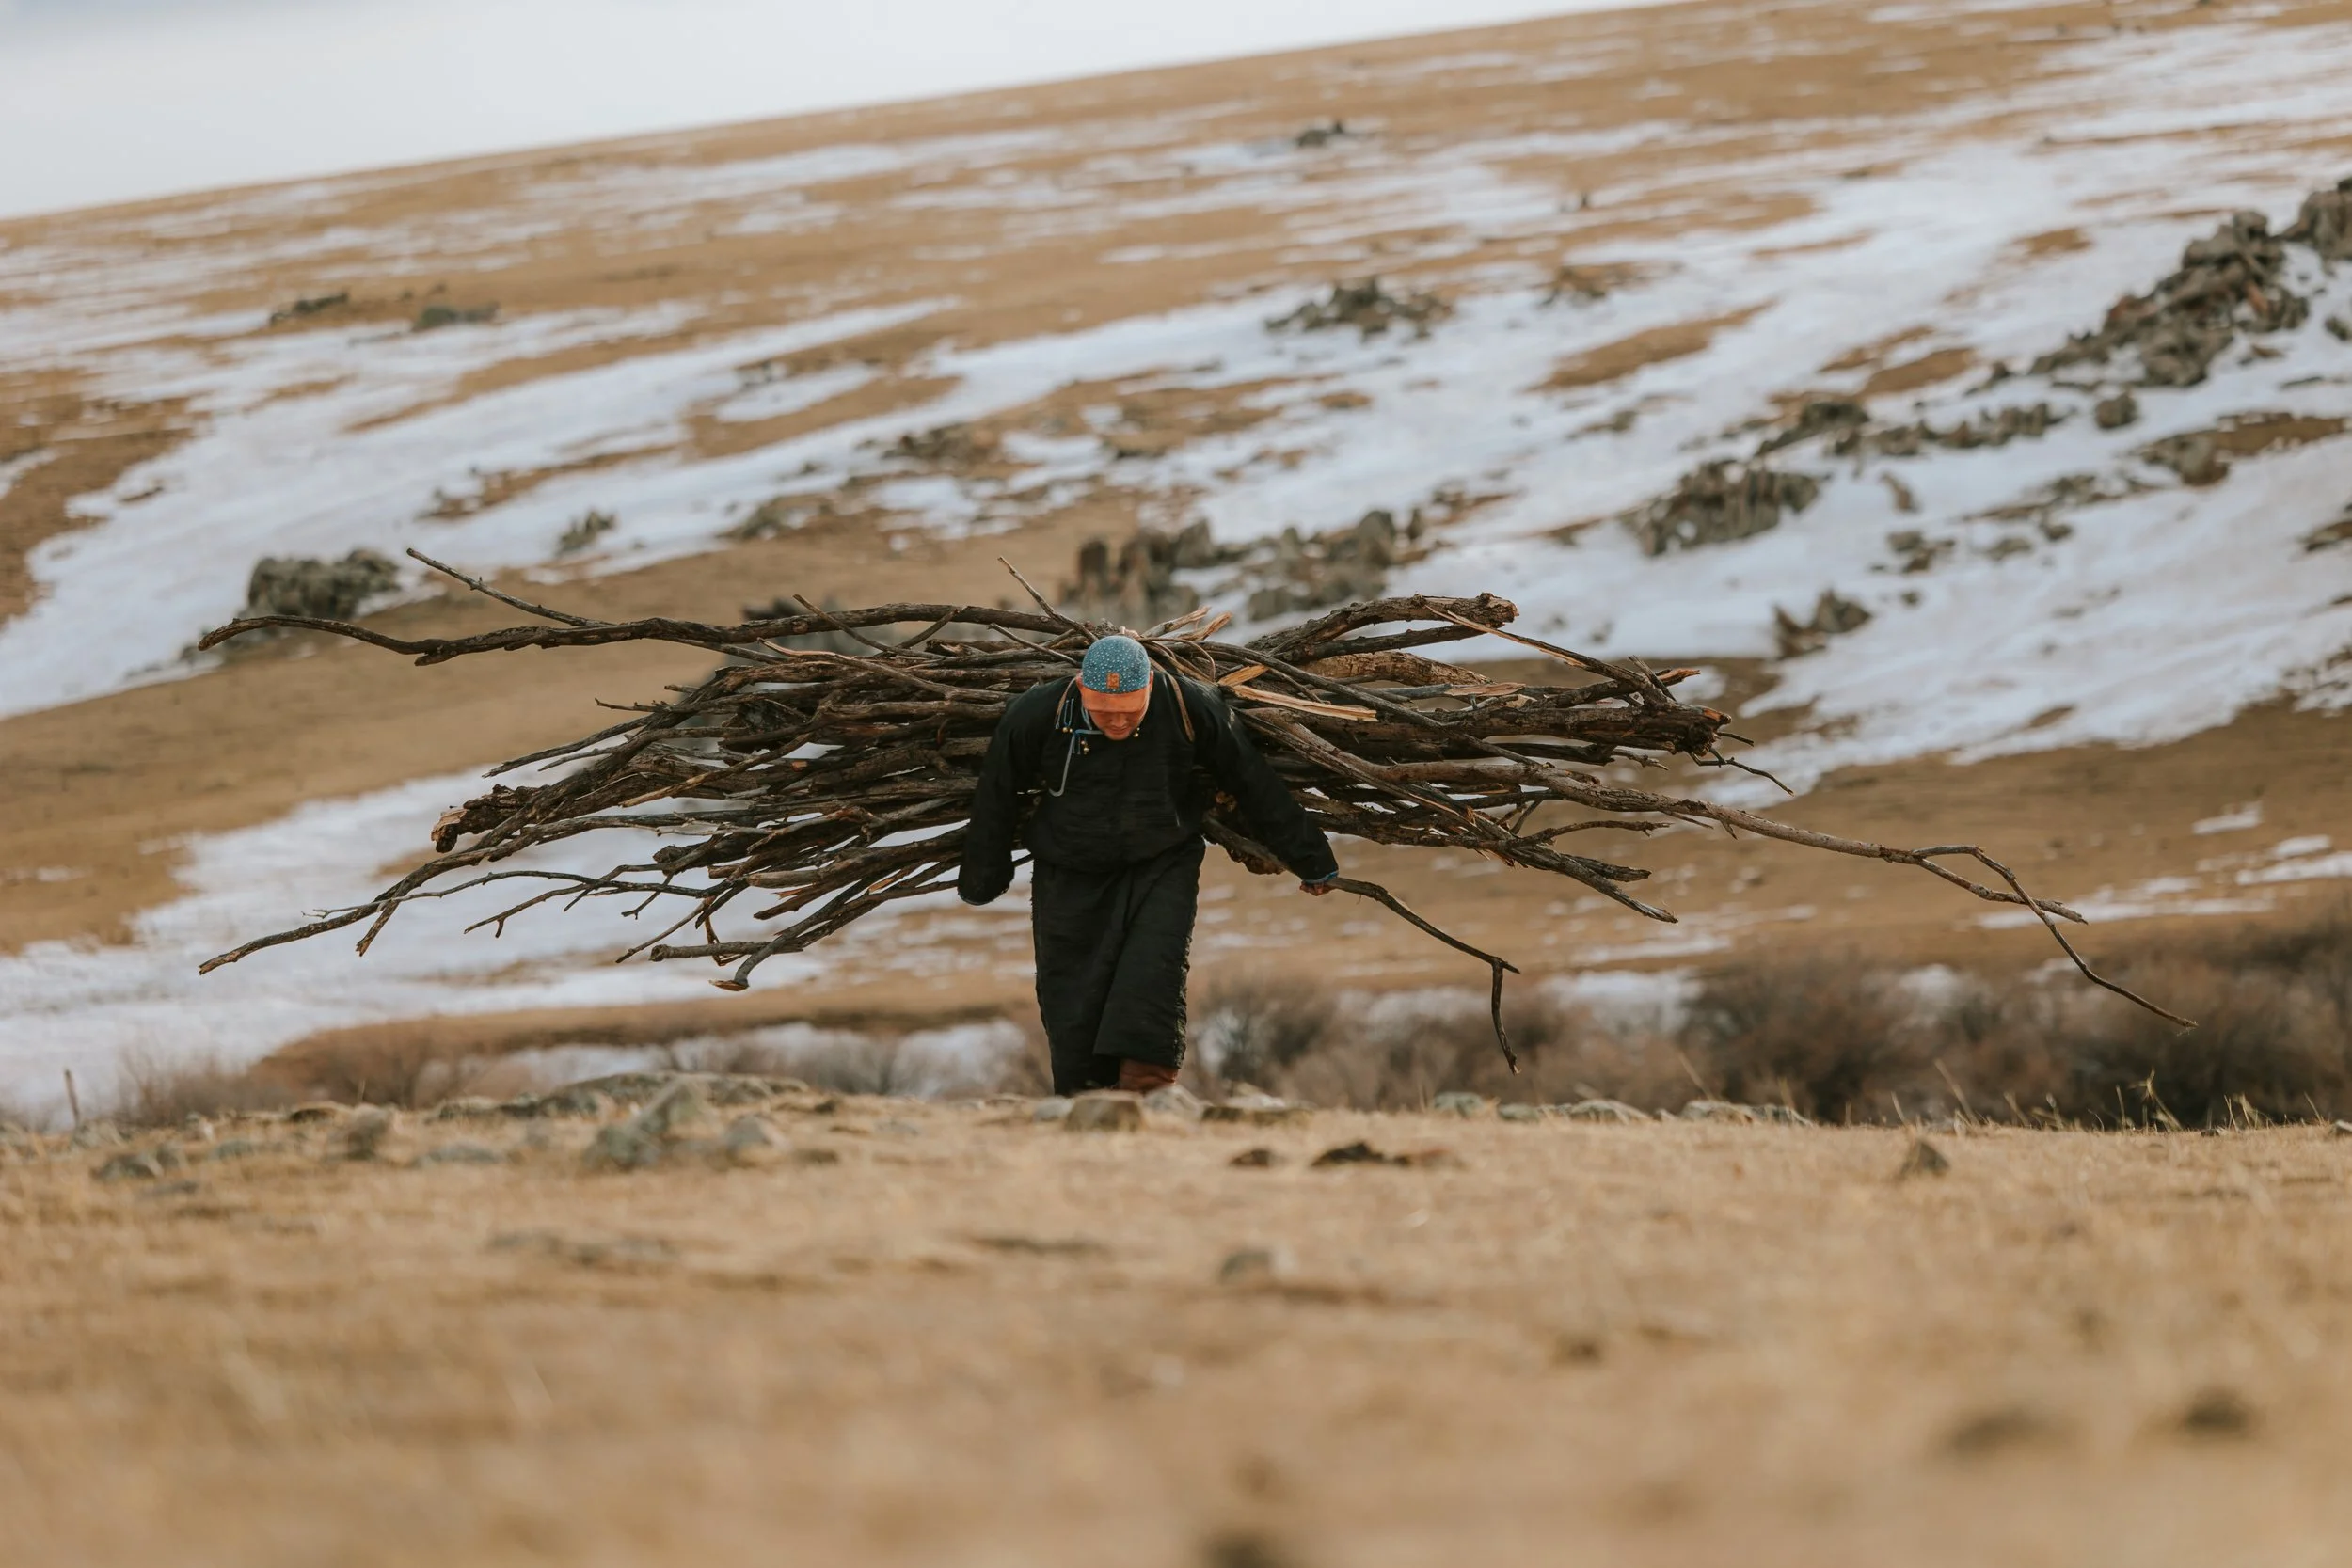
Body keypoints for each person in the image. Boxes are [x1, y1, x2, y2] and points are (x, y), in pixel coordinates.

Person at [959, 633, 1338, 1096]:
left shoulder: (1189, 704)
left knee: (1152, 978)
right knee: (1072, 1001)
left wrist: (1311, 859)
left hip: (1163, 862)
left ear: (1149, 689)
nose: (1117, 720)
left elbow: (1252, 780)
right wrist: (982, 879)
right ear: (1081, 687)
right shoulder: (1038, 712)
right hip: (1068, 872)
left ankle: (1150, 1101)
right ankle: (1087, 1111)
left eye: (1129, 710)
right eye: (1103, 711)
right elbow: (997, 792)